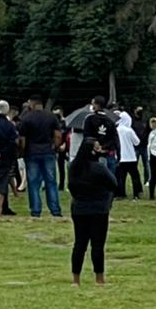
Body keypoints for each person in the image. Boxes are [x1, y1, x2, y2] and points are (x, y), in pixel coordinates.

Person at [68, 116, 118, 286]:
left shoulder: (74, 167)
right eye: (97, 148)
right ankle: (99, 278)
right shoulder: (99, 168)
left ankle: (76, 279)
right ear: (92, 151)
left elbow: (71, 187)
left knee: (79, 244)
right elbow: (114, 183)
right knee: (97, 244)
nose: (100, 150)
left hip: (79, 208)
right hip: (99, 209)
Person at [18, 96, 63, 218]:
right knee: (51, 182)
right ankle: (55, 210)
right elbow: (58, 135)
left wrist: (23, 150)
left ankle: (36, 210)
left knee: (33, 183)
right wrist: (55, 147)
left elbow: (22, 139)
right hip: (48, 151)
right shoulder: (51, 116)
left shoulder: (26, 118)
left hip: (32, 152)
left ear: (31, 104)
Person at [113, 111, 143, 200]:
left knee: (121, 177)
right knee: (135, 176)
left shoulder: (116, 130)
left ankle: (121, 194)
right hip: (130, 157)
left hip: (120, 157)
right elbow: (137, 142)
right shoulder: (129, 130)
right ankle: (136, 194)